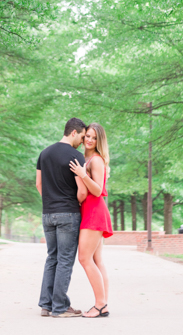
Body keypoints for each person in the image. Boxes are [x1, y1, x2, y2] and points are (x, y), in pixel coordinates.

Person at [36, 117, 88, 318]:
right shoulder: (76, 156)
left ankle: (46, 305)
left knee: (52, 258)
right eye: (82, 136)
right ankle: (60, 307)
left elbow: (39, 184)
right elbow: (82, 192)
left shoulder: (44, 153)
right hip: (68, 212)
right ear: (74, 132)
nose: (82, 141)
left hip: (48, 213)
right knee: (65, 260)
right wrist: (70, 204)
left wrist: (51, 202)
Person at [69, 122, 113, 318]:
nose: (89, 140)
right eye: (87, 135)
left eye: (94, 138)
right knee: (97, 260)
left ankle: (100, 304)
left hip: (94, 212)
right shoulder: (86, 158)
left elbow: (97, 190)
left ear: (99, 141)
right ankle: (103, 304)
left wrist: (82, 174)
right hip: (89, 211)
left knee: (84, 259)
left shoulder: (96, 160)